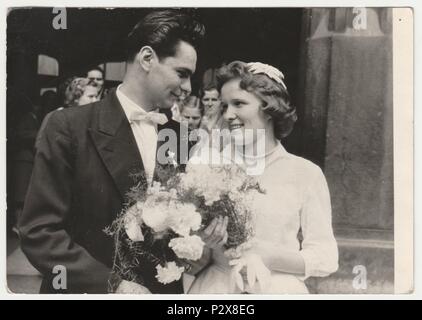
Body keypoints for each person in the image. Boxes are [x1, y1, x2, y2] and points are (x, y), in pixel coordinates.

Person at [18, 9, 208, 294]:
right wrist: (114, 285)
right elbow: (39, 232)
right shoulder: (70, 127)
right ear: (146, 58)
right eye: (181, 73)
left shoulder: (180, 136)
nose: (188, 87)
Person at [187, 61, 338, 294]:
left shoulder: (305, 173)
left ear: (270, 108)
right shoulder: (206, 165)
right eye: (224, 105)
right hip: (216, 289)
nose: (228, 114)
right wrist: (203, 245)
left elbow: (325, 257)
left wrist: (267, 256)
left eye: (238, 103)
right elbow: (189, 259)